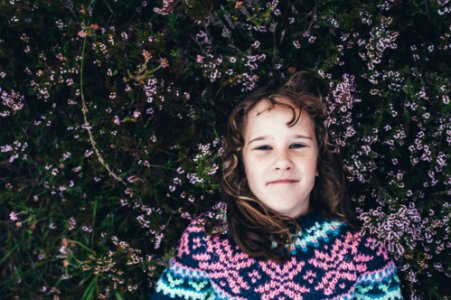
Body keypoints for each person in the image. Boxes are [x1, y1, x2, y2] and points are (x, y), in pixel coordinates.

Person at [151, 71, 403, 299]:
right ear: (241, 163)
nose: (282, 161)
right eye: (263, 147)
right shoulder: (207, 241)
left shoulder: (361, 252)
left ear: (318, 161)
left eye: (297, 145)